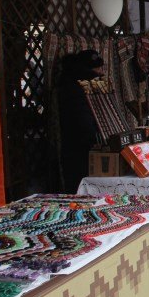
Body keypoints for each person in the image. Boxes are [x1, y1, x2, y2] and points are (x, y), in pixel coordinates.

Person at [58, 49, 103, 193]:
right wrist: (95, 138)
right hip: (80, 140)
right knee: (80, 178)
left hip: (77, 139)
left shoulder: (72, 82)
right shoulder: (81, 85)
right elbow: (81, 116)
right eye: (97, 68)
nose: (101, 72)